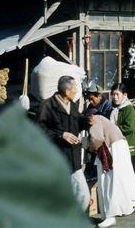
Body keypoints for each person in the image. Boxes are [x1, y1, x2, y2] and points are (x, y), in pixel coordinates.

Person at [37, 76, 93, 211]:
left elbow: (78, 121)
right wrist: (61, 135)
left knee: (84, 196)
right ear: (67, 91)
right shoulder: (47, 106)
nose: (76, 91)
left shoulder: (72, 104)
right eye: (75, 88)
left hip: (73, 159)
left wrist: (87, 121)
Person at [88, 114, 135, 227]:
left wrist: (89, 147)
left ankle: (110, 214)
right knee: (120, 179)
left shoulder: (93, 120)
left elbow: (96, 139)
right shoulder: (101, 118)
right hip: (120, 145)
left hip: (112, 148)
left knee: (107, 181)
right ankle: (126, 207)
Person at [110, 83, 135, 171]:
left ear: (125, 95)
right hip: (118, 146)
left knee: (130, 177)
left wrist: (113, 129)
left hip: (129, 147)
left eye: (117, 94)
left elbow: (129, 127)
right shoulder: (114, 109)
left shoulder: (128, 108)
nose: (115, 97)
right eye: (113, 94)